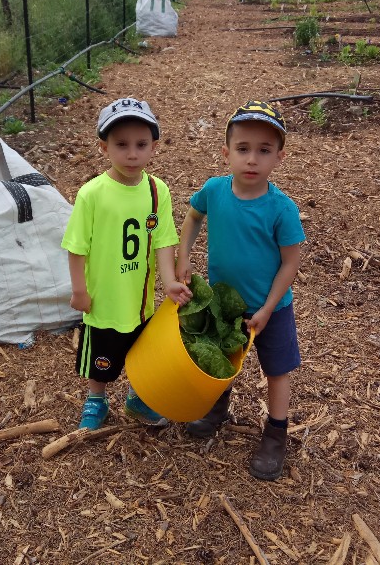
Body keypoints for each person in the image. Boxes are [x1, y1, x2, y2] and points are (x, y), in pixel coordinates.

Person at [176, 100, 305, 481]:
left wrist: (266, 308)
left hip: (272, 309)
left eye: (264, 151)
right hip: (224, 303)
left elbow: (290, 263)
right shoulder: (214, 191)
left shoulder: (282, 209)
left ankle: (276, 434)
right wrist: (184, 256)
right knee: (223, 358)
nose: (252, 159)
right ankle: (217, 408)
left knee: (277, 370)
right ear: (226, 153)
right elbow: (192, 217)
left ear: (279, 157)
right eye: (243, 149)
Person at [62, 97, 192, 431]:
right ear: (104, 148)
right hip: (104, 298)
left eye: (141, 144)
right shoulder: (92, 194)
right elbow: (76, 248)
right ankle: (96, 400)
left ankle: (138, 399)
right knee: (101, 359)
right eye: (121, 145)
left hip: (140, 299)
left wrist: (169, 282)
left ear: (154, 147)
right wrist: (79, 290)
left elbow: (163, 240)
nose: (132, 154)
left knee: (141, 353)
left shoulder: (156, 190)